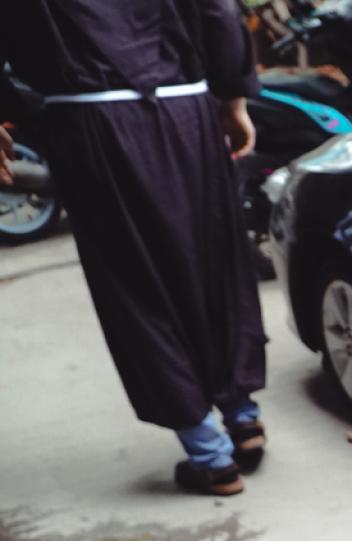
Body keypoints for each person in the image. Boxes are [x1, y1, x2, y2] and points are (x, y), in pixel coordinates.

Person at [0, 0, 269, 495]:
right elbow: (219, 11)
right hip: (187, 113)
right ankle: (242, 417)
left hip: (90, 123)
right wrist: (233, 99)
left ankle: (210, 455)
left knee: (136, 283)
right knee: (216, 265)